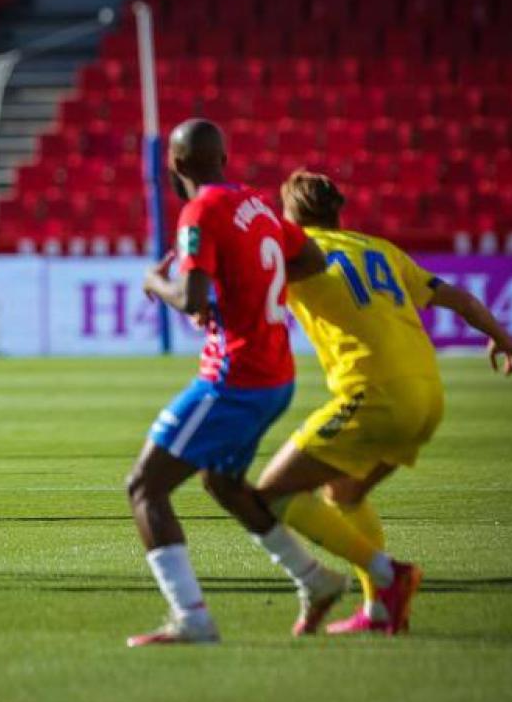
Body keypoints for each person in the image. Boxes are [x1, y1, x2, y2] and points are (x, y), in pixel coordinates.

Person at [255, 169, 512, 635]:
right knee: (345, 492)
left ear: (293, 216)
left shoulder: (295, 253)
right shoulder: (380, 249)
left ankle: (388, 575)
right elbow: (456, 297)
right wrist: (501, 338)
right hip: (427, 396)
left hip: (375, 395)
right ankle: (379, 610)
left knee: (271, 493)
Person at [125, 119, 347, 645]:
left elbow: (192, 298)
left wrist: (156, 281)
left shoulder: (199, 209)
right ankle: (316, 581)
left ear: (176, 165)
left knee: (145, 488)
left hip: (235, 377)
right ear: (223, 158)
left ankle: (192, 619)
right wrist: (246, 296)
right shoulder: (259, 204)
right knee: (222, 483)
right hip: (276, 374)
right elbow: (311, 258)